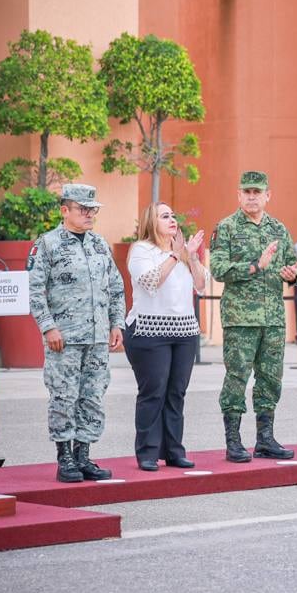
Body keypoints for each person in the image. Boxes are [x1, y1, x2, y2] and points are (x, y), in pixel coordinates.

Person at [29, 184, 125, 483]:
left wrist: (117, 324)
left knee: (93, 397)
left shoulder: (99, 245)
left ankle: (83, 455)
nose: (89, 214)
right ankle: (65, 457)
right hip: (65, 339)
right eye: (82, 209)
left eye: (92, 209)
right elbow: (34, 291)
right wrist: (48, 326)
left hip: (97, 338)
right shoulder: (47, 244)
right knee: (64, 396)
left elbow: (116, 288)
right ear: (64, 210)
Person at [210, 170, 297, 462]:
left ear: (267, 196)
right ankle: (233, 441)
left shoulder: (278, 228)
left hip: (273, 317)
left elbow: (293, 262)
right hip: (240, 318)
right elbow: (218, 269)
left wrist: (293, 274)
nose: (252, 197)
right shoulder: (226, 227)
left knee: (271, 378)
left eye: (257, 192)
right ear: (239, 195)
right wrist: (255, 265)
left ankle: (265, 439)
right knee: (237, 377)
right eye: (246, 192)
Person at [123, 202, 206, 471]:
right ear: (152, 221)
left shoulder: (181, 253)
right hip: (149, 330)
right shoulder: (141, 250)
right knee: (153, 392)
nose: (172, 219)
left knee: (176, 393)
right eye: (164, 216)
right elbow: (150, 281)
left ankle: (173, 450)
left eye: (173, 215)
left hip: (184, 331)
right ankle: (147, 452)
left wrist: (190, 256)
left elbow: (202, 285)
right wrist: (175, 255)